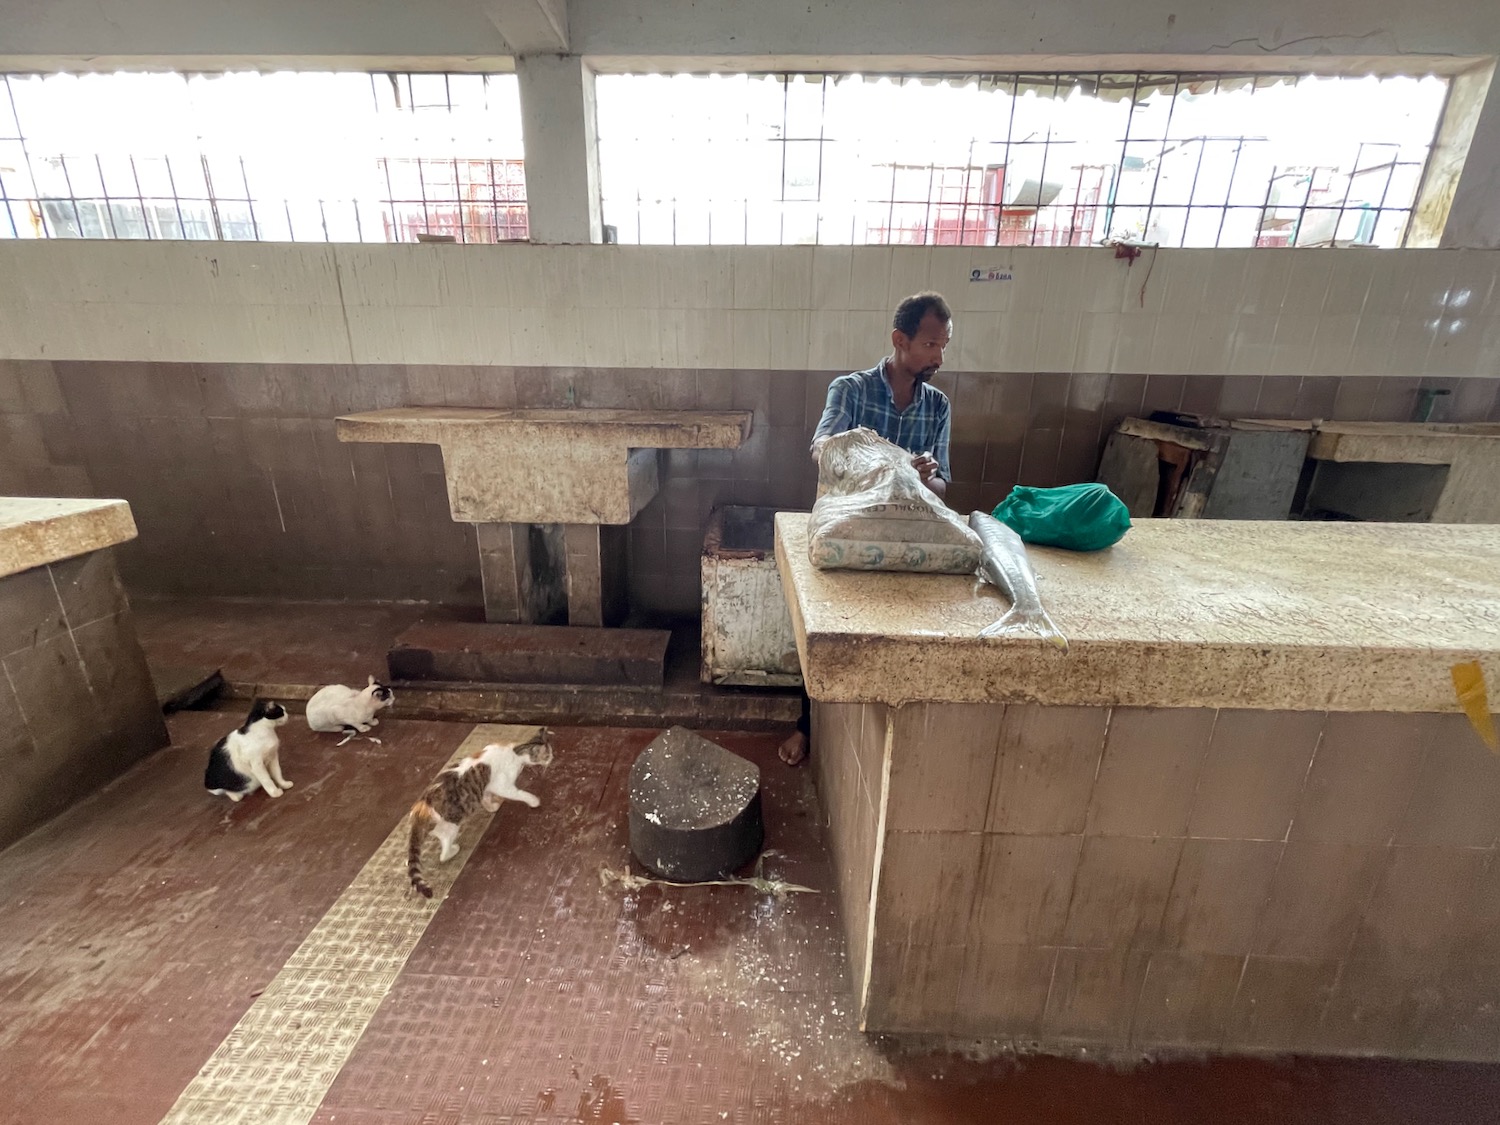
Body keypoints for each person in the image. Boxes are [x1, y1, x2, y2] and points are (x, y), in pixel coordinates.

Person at [779, 291, 955, 766]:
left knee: (901, 627)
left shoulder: (937, 406)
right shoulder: (852, 390)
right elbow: (821, 448)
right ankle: (807, 725)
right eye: (932, 344)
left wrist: (925, 475)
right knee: (826, 626)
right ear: (901, 340)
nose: (939, 355)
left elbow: (941, 487)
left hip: (905, 538)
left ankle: (882, 729)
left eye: (944, 345)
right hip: (849, 531)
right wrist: (884, 463)